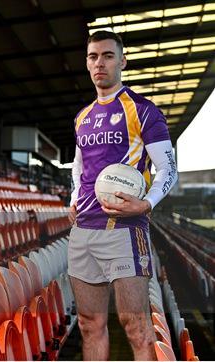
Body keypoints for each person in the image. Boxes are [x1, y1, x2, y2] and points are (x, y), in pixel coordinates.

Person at [68, 31, 178, 360]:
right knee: (89, 324)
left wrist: (146, 204)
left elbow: (169, 169)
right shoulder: (82, 117)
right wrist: (72, 198)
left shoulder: (143, 110)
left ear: (122, 61)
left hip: (124, 230)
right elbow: (78, 167)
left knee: (135, 326)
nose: (99, 63)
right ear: (87, 63)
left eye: (107, 56)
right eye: (93, 57)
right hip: (83, 230)